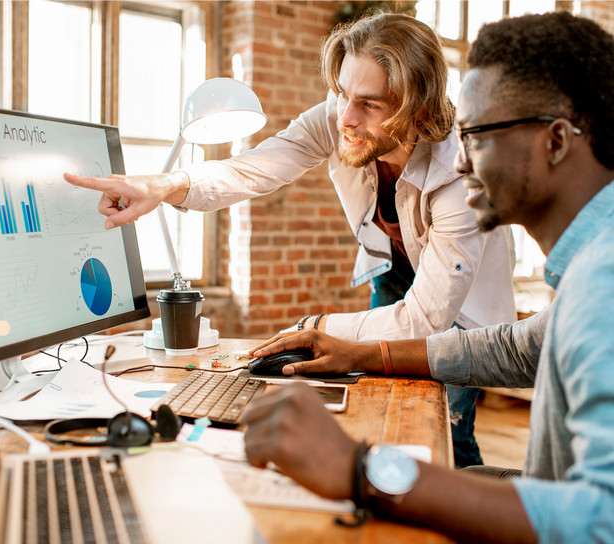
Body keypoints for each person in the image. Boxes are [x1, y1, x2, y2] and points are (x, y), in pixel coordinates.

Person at [64, 13, 517, 467]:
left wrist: (313, 327)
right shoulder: (338, 115)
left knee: (445, 419)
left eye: (369, 104)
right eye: (342, 93)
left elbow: (425, 321)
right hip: (394, 269)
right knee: (382, 394)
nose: (346, 117)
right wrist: (163, 186)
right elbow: (255, 167)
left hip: (460, 304)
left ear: (415, 106)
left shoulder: (460, 171)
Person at [242, 10, 614, 543]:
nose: (458, 164)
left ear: (555, 142)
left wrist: (358, 468)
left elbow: (602, 523)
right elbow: (517, 349)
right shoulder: (592, 264)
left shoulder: (604, 283)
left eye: (477, 137)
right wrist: (363, 354)